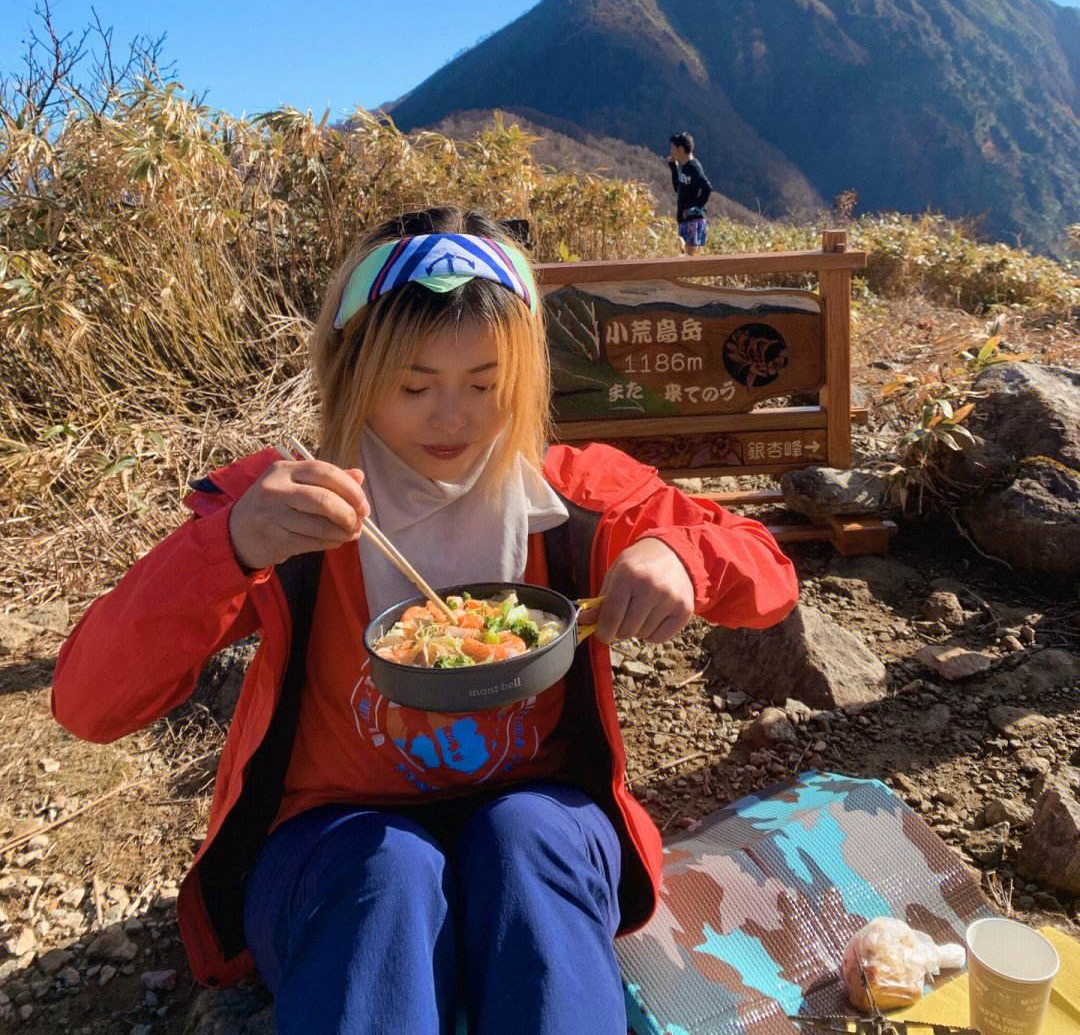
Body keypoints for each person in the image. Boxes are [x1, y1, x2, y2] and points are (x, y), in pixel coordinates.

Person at [52, 206, 798, 1035]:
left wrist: (683, 562)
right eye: (413, 387)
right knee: (389, 870)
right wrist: (226, 548)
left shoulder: (570, 495)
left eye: (485, 384)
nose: (452, 418)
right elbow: (87, 704)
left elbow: (766, 571)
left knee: (525, 840)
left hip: (537, 812)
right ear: (351, 372)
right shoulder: (292, 509)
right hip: (329, 840)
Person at [668, 131, 713, 256]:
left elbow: (707, 187)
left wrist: (697, 208)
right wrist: (673, 167)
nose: (670, 151)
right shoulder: (685, 166)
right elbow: (678, 188)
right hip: (685, 219)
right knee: (686, 257)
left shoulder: (694, 168)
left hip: (694, 220)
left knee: (690, 260)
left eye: (672, 148)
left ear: (681, 149)